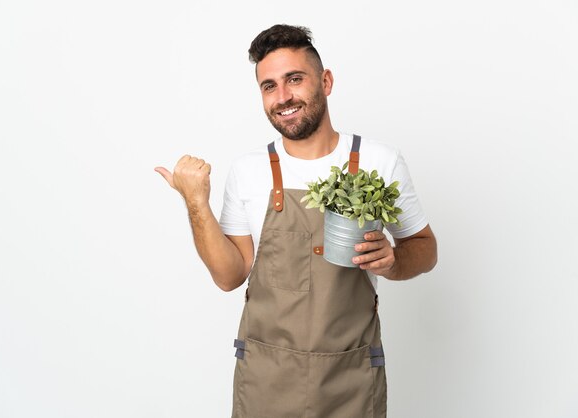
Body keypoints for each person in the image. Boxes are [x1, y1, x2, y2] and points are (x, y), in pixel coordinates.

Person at [155, 24, 437, 418]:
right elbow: (229, 275)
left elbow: (425, 249)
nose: (283, 97)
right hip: (265, 381)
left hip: (350, 379)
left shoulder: (379, 161)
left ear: (326, 81)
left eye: (294, 79)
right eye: (269, 86)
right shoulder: (248, 171)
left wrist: (393, 261)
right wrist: (196, 202)